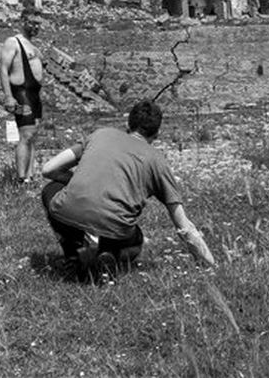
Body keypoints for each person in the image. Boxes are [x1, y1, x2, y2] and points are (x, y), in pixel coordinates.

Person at [41, 99, 214, 278]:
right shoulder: (157, 161)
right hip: (116, 227)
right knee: (135, 239)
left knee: (51, 189)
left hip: (66, 211)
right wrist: (210, 266)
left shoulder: (101, 134)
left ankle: (74, 253)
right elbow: (183, 224)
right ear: (157, 133)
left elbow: (48, 169)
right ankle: (110, 254)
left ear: (128, 124)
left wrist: (74, 180)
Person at [0, 7, 44, 183]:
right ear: (23, 21)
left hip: (34, 95)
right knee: (25, 136)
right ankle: (21, 179)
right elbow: (3, 68)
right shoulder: (13, 42)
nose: (35, 27)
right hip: (21, 93)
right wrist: (8, 96)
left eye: (38, 24)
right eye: (32, 23)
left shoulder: (33, 45)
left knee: (33, 136)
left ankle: (30, 177)